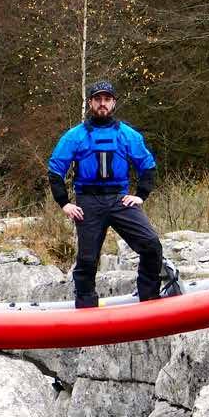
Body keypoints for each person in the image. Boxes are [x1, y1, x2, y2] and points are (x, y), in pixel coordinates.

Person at [48, 80, 163, 308]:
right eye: (98, 99)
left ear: (113, 103)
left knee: (151, 244)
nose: (102, 104)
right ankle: (86, 305)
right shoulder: (75, 136)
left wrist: (140, 195)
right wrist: (64, 203)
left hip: (120, 200)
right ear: (90, 103)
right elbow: (55, 170)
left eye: (107, 99)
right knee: (87, 260)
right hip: (88, 203)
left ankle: (149, 298)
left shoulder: (127, 135)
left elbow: (147, 166)